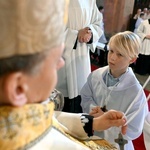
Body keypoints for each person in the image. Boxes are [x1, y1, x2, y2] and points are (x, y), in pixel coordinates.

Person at [0, 0, 128, 150]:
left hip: (80, 56)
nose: (60, 63)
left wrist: (92, 122)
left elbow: (46, 118)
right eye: (54, 60)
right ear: (18, 88)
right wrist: (74, 35)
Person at [80, 31, 148, 150]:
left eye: (120, 54)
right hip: (92, 132)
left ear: (131, 59)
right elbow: (86, 96)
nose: (112, 57)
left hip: (116, 143)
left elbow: (134, 129)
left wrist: (108, 121)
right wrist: (94, 111)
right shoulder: (96, 75)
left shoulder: (136, 93)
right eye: (111, 51)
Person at [56, 0, 103, 113]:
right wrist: (75, 35)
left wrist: (90, 32)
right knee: (60, 105)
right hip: (60, 58)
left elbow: (98, 22)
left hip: (81, 59)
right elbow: (46, 28)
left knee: (80, 101)